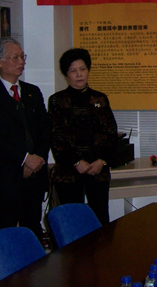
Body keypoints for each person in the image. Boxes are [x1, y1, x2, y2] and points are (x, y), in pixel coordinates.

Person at [0, 37, 51, 240]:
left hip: (34, 178)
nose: (21, 62)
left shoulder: (32, 92)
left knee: (32, 233)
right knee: (3, 236)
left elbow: (45, 129)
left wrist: (37, 159)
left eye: (22, 57)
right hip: (5, 181)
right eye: (15, 57)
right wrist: (25, 158)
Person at [48, 48, 118, 225]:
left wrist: (102, 161)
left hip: (98, 170)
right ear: (66, 75)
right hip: (69, 172)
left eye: (82, 69)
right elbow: (56, 136)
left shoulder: (100, 99)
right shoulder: (57, 100)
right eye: (73, 70)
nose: (79, 74)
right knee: (72, 223)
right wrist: (77, 162)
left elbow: (111, 133)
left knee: (100, 220)